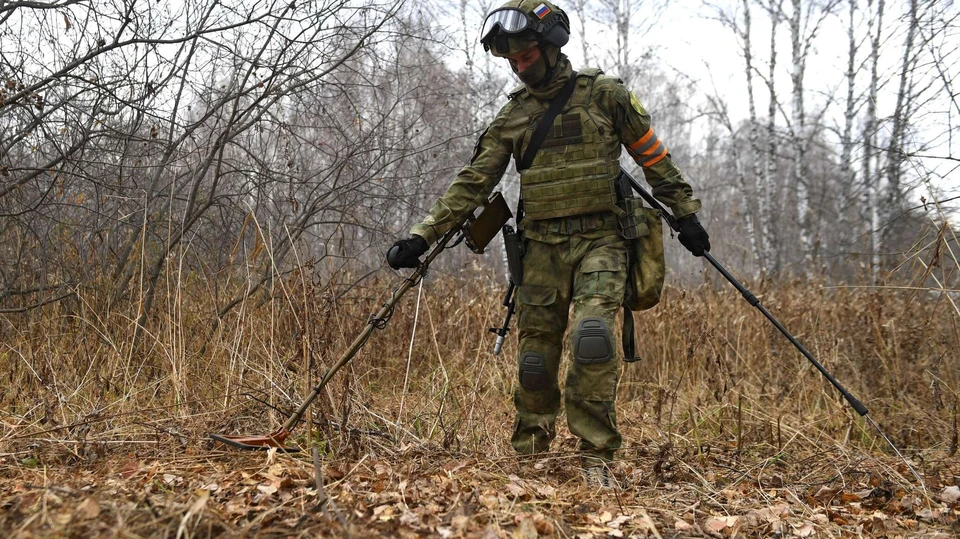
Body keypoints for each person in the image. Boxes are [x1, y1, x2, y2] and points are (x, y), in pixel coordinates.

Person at [387, 0, 709, 488]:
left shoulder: (605, 96)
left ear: (551, 48)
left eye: (527, 57)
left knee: (593, 340)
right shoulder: (512, 118)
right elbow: (474, 181)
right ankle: (531, 457)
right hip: (540, 249)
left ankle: (596, 458)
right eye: (512, 62)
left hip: (603, 240)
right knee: (535, 358)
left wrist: (685, 214)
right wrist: (422, 234)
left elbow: (652, 156)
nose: (520, 68)